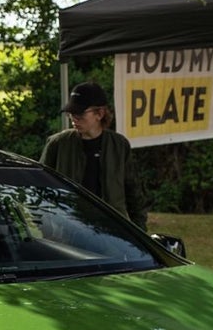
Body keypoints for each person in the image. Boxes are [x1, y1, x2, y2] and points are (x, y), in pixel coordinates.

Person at [40, 81, 148, 230]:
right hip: (68, 230)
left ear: (100, 114)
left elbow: (134, 194)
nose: (73, 118)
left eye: (80, 113)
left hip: (112, 232)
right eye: (71, 113)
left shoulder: (120, 145)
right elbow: (41, 190)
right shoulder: (57, 144)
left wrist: (139, 233)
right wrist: (46, 230)